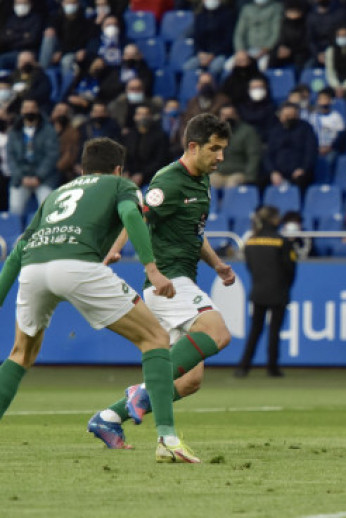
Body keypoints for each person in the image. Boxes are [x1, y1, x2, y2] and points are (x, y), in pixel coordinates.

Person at [0, 137, 199, 463]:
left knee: (20, 354)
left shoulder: (57, 193)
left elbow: (19, 249)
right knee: (155, 338)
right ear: (118, 169)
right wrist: (153, 268)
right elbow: (131, 216)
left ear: (82, 168)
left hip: (34, 267)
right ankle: (167, 438)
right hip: (77, 265)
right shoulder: (121, 185)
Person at [88, 114, 236, 449]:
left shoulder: (202, 181)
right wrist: (115, 249)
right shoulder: (168, 181)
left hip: (182, 281)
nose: (221, 156)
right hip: (168, 283)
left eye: (223, 149)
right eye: (215, 149)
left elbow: (194, 232)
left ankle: (109, 417)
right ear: (193, 146)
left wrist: (218, 265)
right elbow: (137, 216)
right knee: (217, 332)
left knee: (189, 381)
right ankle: (140, 393)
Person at [234, 206, 298, 378]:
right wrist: (285, 286)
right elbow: (290, 269)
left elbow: (250, 266)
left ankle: (243, 367)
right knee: (274, 331)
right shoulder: (282, 242)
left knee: (255, 330)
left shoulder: (251, 241)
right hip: (278, 291)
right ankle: (272, 367)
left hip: (258, 290)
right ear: (274, 219)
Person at [6, 99, 60, 217]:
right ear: (21, 111)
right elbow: (10, 157)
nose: (29, 110)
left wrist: (39, 176)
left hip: (44, 178)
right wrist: (21, 177)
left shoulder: (48, 130)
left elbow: (52, 155)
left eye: (32, 108)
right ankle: (16, 234)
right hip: (20, 178)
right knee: (15, 208)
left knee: (48, 208)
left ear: (37, 110)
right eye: (26, 108)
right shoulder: (14, 132)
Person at [265, 102, 318, 194]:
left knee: (301, 181)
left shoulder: (306, 128)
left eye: (292, 115)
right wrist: (273, 171)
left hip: (299, 172)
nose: (289, 118)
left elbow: (311, 151)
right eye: (286, 115)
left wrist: (303, 169)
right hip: (278, 172)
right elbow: (268, 154)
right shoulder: (275, 130)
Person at [183, 0, 237, 79]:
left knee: (215, 68)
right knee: (187, 67)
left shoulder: (228, 15)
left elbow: (228, 40)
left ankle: (212, 88)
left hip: (221, 53)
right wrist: (200, 53)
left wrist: (212, 55)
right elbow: (197, 38)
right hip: (203, 54)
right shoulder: (200, 16)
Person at [213, 104, 261, 189]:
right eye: (224, 115)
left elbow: (253, 156)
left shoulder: (247, 131)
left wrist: (249, 177)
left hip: (238, 172)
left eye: (230, 115)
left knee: (232, 186)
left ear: (237, 115)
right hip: (218, 172)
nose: (227, 118)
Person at [123, 104, 170, 187]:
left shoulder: (160, 136)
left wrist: (142, 174)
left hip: (152, 178)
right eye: (139, 114)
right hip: (130, 177)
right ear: (134, 117)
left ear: (151, 116)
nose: (142, 117)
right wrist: (126, 171)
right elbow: (125, 157)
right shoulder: (130, 135)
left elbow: (160, 161)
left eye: (145, 114)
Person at [231, 0, 283, 71]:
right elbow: (239, 33)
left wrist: (265, 49)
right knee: (229, 66)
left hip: (266, 51)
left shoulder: (276, 8)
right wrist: (240, 50)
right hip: (247, 49)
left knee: (261, 68)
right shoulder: (247, 9)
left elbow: (276, 33)